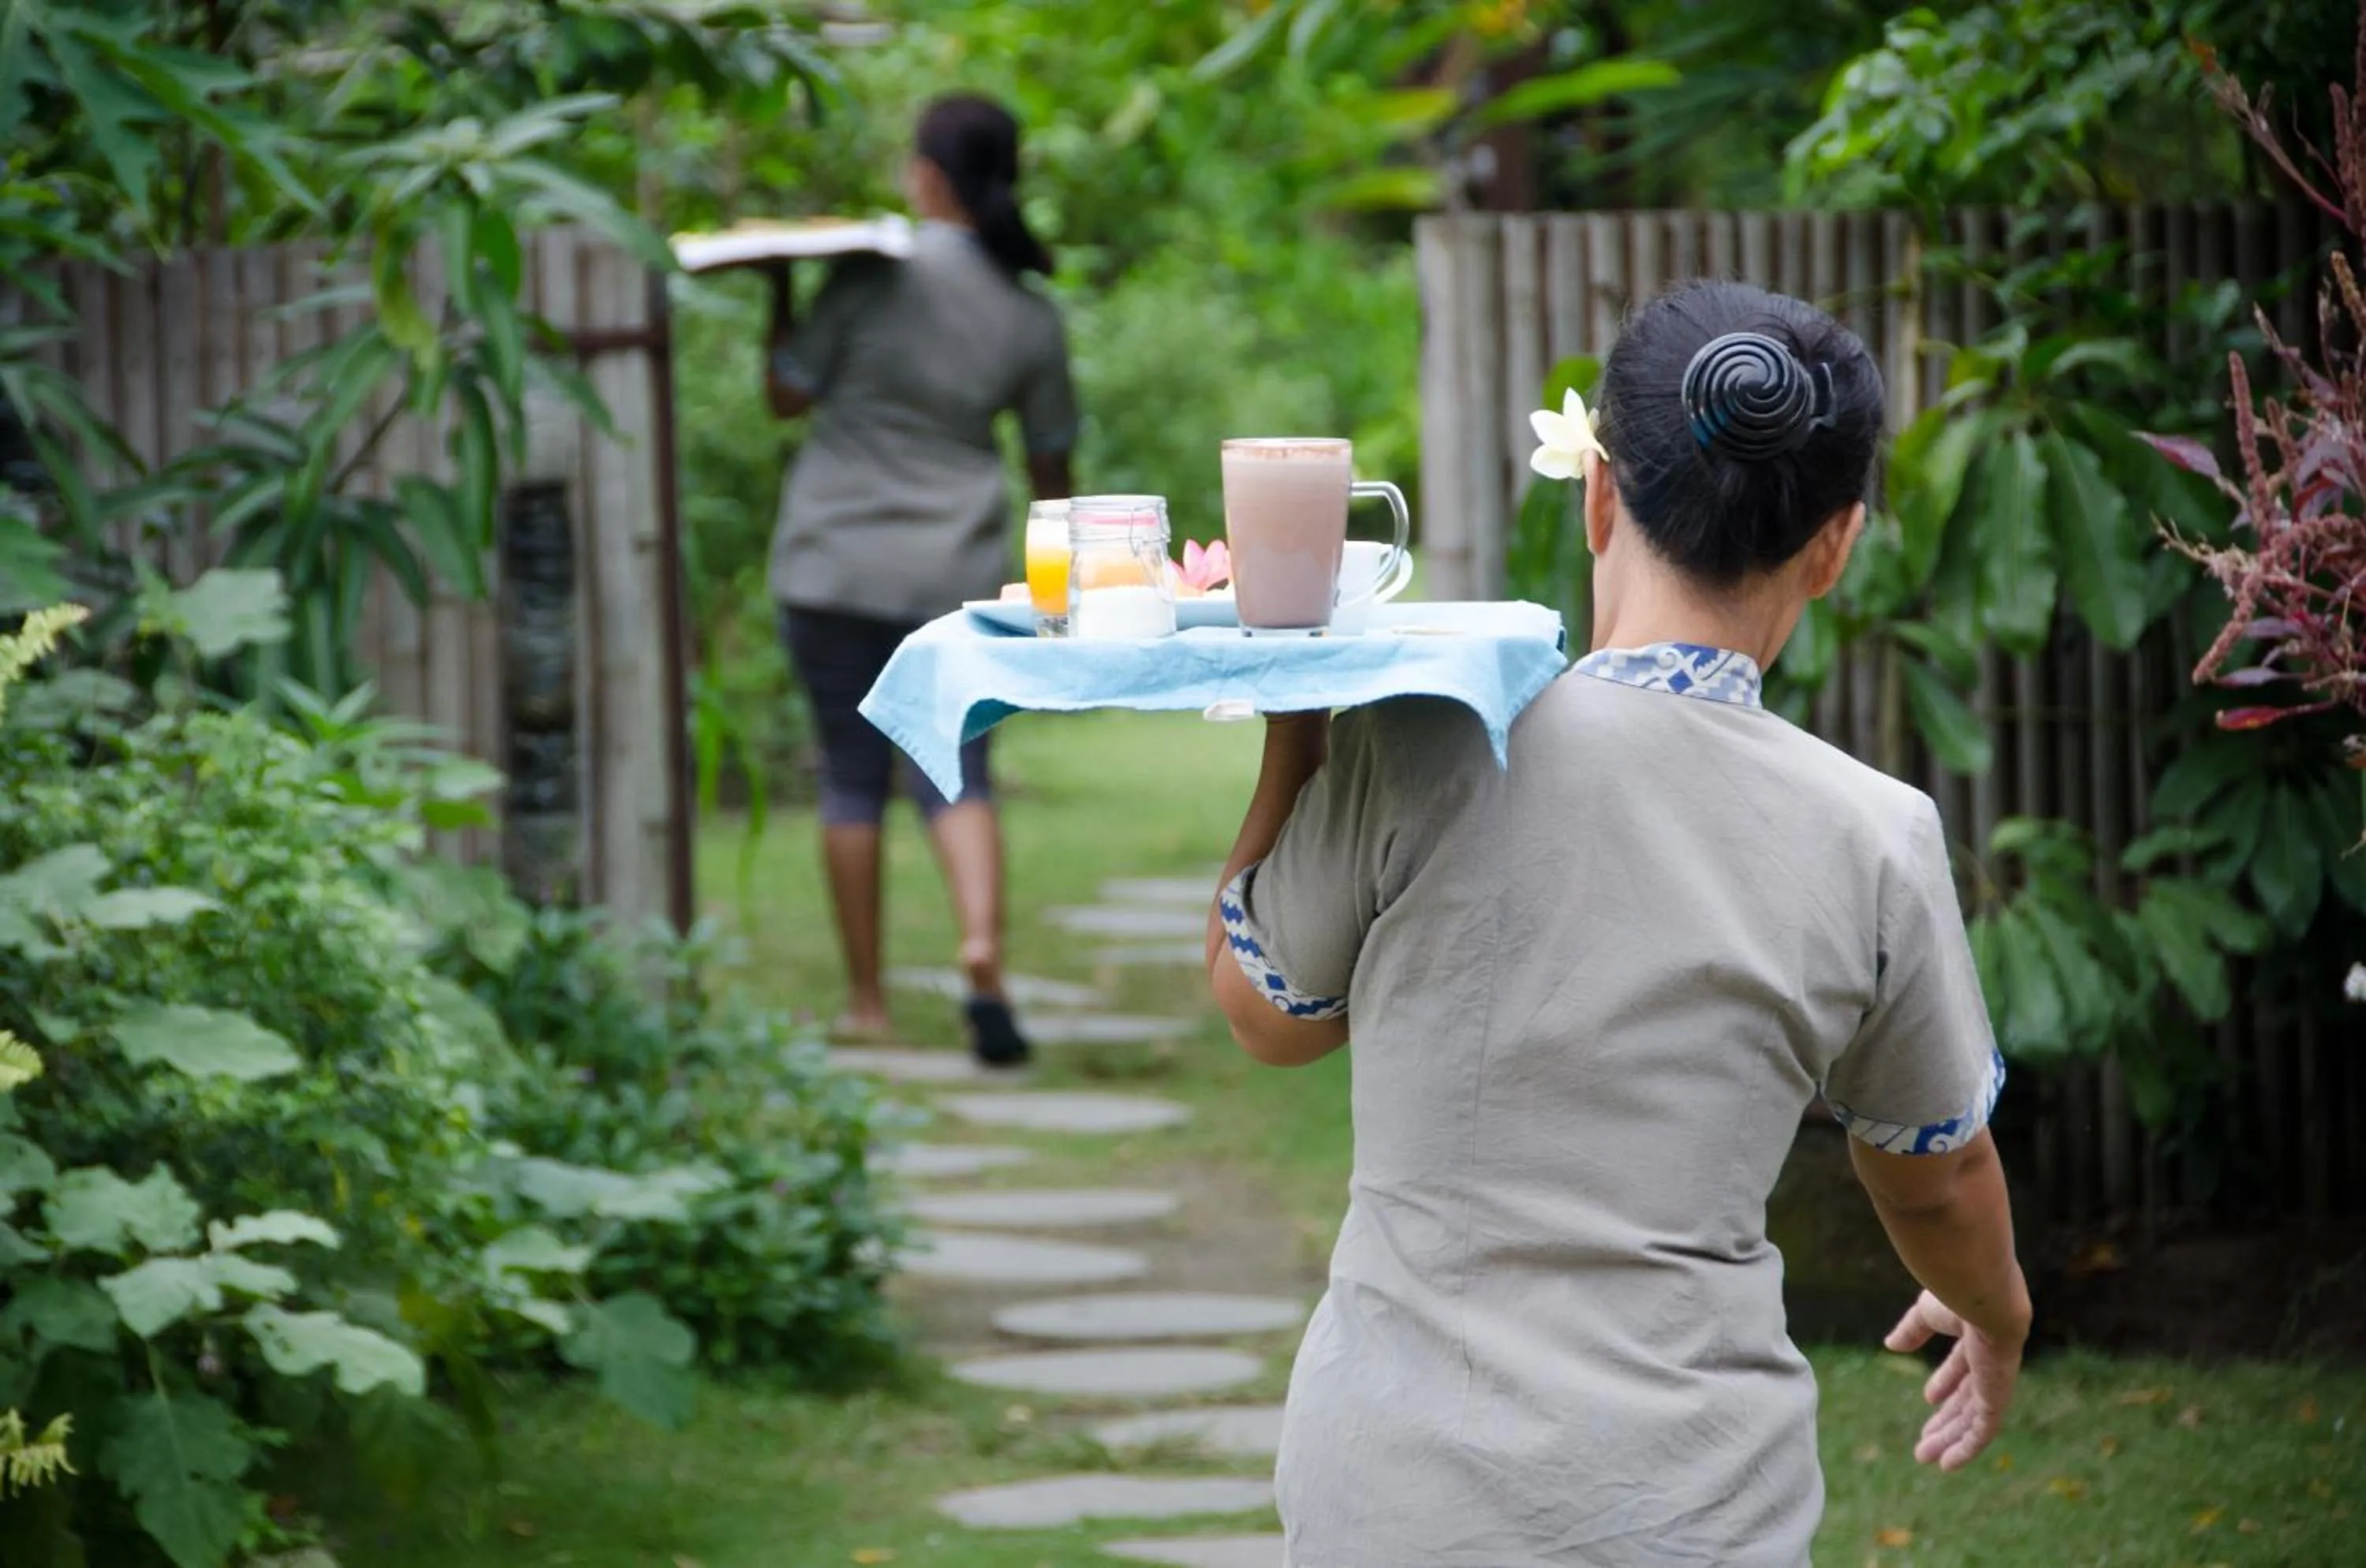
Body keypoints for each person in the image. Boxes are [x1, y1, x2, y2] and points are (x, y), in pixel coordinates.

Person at [1207, 281, 2028, 1566]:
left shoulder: (1422, 738)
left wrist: (1294, 712)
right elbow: (1937, 1174)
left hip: (1390, 1492)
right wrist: (1999, 1313)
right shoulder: (1875, 834)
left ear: (1597, 493)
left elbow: (1267, 1013)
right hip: (1684, 1504)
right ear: (1836, 543)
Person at [765, 93, 1076, 1066]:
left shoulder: (865, 277)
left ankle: (866, 1000)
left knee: (852, 779)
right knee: (958, 770)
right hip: (951, 569)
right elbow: (1053, 466)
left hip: (831, 562)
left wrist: (778, 291)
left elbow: (786, 394)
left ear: (929, 176)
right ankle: (980, 947)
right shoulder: (1030, 313)